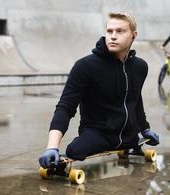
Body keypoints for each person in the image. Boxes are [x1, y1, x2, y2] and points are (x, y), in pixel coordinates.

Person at [39, 12, 159, 168]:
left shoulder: (140, 67)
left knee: (132, 138)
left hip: (130, 137)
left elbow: (135, 100)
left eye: (120, 31)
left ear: (133, 35)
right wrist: (52, 147)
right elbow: (65, 107)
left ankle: (129, 144)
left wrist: (145, 128)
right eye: (109, 31)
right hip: (98, 135)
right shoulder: (85, 66)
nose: (113, 36)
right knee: (74, 150)